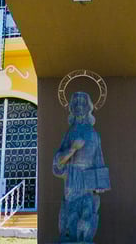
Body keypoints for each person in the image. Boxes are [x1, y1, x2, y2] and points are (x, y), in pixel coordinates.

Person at [52, 91, 109, 242]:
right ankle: (69, 237)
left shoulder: (93, 134)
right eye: (75, 103)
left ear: (88, 108)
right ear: (71, 107)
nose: (79, 106)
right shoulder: (70, 132)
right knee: (71, 210)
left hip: (89, 179)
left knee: (88, 210)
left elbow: (99, 159)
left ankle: (85, 238)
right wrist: (72, 149)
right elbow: (58, 160)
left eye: (83, 103)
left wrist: (100, 183)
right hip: (73, 177)